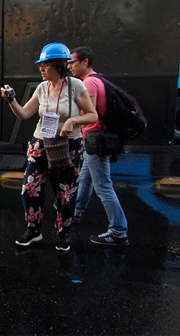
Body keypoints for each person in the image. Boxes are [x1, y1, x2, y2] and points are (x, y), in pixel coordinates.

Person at [0, 42, 97, 252]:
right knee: (30, 187)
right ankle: (33, 230)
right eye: (40, 66)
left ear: (58, 65)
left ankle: (63, 234)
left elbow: (92, 115)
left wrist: (71, 122)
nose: (41, 69)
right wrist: (11, 99)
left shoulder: (76, 86)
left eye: (44, 65)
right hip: (40, 144)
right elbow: (25, 113)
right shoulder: (42, 88)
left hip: (68, 145)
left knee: (65, 193)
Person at [68, 46, 129, 246]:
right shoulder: (96, 79)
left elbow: (90, 115)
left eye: (73, 62)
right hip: (95, 138)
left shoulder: (90, 83)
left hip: (95, 138)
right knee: (85, 178)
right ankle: (75, 213)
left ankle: (118, 231)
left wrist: (70, 122)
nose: (69, 66)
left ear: (85, 62)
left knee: (103, 185)